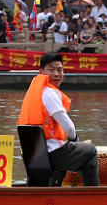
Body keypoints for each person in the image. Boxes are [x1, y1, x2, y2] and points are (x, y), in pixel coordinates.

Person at [17, 53, 99, 186]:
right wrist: (74, 139)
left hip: (31, 156)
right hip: (52, 155)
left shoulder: (33, 92)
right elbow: (68, 127)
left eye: (60, 70)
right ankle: (92, 195)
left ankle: (56, 188)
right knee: (90, 151)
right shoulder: (49, 93)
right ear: (41, 72)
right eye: (51, 70)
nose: (56, 74)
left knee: (74, 150)